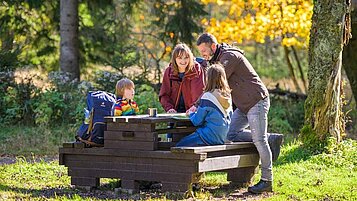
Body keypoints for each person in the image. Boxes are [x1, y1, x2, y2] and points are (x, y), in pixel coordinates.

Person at [196, 33, 283, 194]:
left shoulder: (229, 56)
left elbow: (216, 82)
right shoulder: (218, 59)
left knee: (259, 140)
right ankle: (270, 138)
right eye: (201, 53)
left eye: (204, 51)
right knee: (229, 135)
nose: (203, 55)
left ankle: (267, 180)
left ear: (213, 46)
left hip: (256, 100)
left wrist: (198, 104)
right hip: (243, 105)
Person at [176, 64, 233, 147]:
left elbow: (196, 121)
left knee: (179, 145)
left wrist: (191, 114)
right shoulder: (228, 96)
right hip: (222, 137)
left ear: (208, 78)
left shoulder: (208, 96)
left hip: (208, 136)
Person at [159, 43, 205, 114]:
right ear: (175, 59)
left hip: (193, 112)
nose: (183, 61)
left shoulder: (196, 70)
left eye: (186, 57)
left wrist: (195, 106)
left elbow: (199, 92)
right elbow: (164, 94)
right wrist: (169, 108)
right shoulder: (169, 71)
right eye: (180, 58)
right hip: (174, 112)